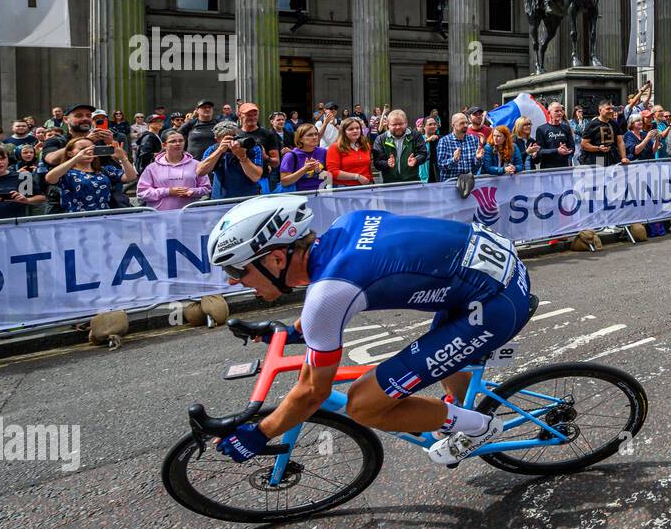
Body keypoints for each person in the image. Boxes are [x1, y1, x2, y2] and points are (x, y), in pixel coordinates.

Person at [207, 198, 536, 466]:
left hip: (493, 302)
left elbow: (312, 392)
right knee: (445, 370)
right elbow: (343, 291)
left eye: (237, 269)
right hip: (486, 272)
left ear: (277, 258)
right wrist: (296, 332)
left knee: (363, 404)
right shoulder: (347, 224)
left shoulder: (328, 293)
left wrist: (259, 434)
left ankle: (479, 428)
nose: (233, 281)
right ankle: (461, 413)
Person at [44, 135, 136, 212]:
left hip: (103, 218)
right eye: (82, 149)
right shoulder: (66, 173)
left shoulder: (104, 170)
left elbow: (130, 177)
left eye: (92, 148)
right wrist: (76, 158)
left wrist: (123, 158)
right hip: (76, 221)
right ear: (70, 153)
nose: (88, 151)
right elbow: (50, 178)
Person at [137, 130, 210, 210]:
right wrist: (168, 191)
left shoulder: (196, 164)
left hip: (190, 214)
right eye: (173, 141)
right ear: (164, 145)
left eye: (181, 141)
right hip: (161, 216)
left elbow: (206, 188)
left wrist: (193, 192)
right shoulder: (152, 168)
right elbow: (142, 193)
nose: (178, 144)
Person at [198, 120, 265, 200]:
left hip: (248, 199)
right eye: (226, 138)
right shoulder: (213, 149)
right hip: (220, 200)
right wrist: (219, 151)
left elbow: (256, 177)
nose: (231, 141)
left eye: (234, 136)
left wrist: (243, 157)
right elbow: (200, 172)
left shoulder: (252, 147)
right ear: (217, 139)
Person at [0, 143, 45, 220]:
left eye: (2, 158)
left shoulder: (23, 177)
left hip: (17, 226)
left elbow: (41, 198)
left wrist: (26, 200)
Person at [372, 109, 427, 185]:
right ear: (388, 124)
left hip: (412, 181)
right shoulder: (381, 139)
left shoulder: (415, 135)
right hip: (389, 183)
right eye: (394, 124)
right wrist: (386, 163)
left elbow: (423, 154)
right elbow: (377, 162)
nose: (398, 127)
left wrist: (416, 160)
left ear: (406, 123)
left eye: (401, 124)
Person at [279, 123, 330, 191]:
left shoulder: (323, 152)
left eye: (316, 134)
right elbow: (284, 182)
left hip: (320, 195)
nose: (314, 137)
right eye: (310, 135)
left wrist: (318, 171)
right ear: (300, 139)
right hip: (298, 196)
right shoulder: (290, 156)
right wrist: (304, 170)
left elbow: (329, 178)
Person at [326, 116, 374, 187]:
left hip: (365, 187)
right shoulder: (335, 147)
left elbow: (368, 167)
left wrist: (371, 180)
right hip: (344, 188)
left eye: (357, 128)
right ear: (344, 132)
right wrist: (357, 177)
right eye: (350, 129)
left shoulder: (366, 145)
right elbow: (333, 172)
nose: (355, 131)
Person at [580, 98, 628, 166]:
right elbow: (584, 144)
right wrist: (598, 148)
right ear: (600, 110)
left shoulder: (614, 123)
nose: (611, 111)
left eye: (612, 109)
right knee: (601, 174)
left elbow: (620, 142)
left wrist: (624, 157)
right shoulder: (592, 125)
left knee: (614, 176)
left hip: (613, 157)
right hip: (599, 157)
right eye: (608, 109)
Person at [436, 112, 484, 180]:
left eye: (467, 123)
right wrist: (454, 160)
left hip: (469, 182)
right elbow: (440, 165)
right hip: (451, 183)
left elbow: (477, 166)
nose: (465, 125)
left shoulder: (474, 139)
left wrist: (478, 159)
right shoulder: (444, 141)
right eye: (462, 123)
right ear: (453, 125)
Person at [533, 102, 575, 169]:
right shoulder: (541, 129)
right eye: (556, 111)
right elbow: (540, 151)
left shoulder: (566, 128)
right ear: (549, 113)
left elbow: (572, 147)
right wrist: (557, 150)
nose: (559, 113)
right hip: (548, 168)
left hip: (564, 167)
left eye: (561, 111)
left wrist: (567, 151)